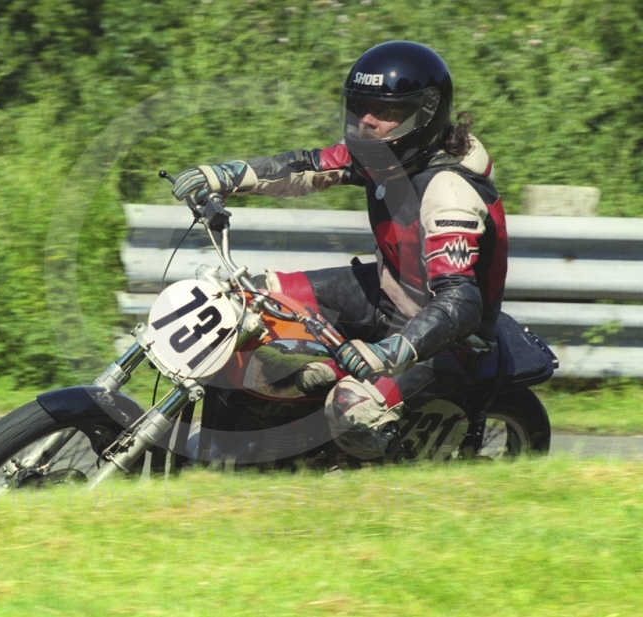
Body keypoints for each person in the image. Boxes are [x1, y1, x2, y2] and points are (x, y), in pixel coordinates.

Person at [170, 41, 508, 462]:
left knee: (351, 408)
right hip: (389, 293)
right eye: (363, 106)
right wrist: (223, 175)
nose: (368, 119)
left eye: (386, 111)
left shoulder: (449, 192)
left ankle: (375, 480)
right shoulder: (383, 155)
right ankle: (254, 436)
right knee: (252, 298)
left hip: (445, 339)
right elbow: (309, 166)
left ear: (425, 113)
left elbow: (461, 302)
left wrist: (389, 352)